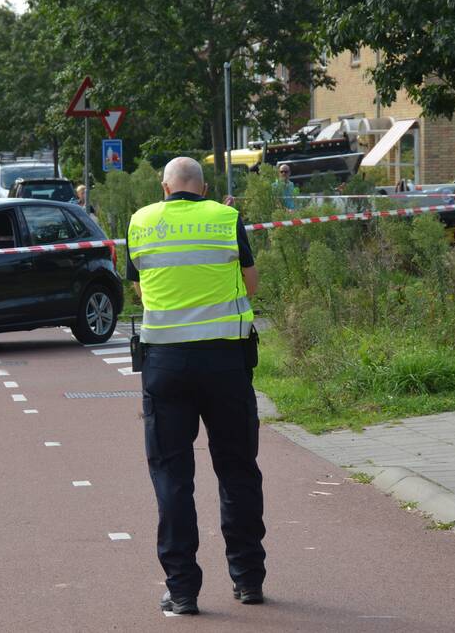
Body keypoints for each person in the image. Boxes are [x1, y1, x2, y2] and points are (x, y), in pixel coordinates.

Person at [126, 157, 264, 616]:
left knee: (172, 476)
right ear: (203, 188)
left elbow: (144, 291)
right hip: (225, 362)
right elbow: (250, 284)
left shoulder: (141, 222)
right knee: (237, 469)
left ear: (164, 187)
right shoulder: (226, 219)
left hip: (165, 366)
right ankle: (247, 580)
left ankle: (182, 590)